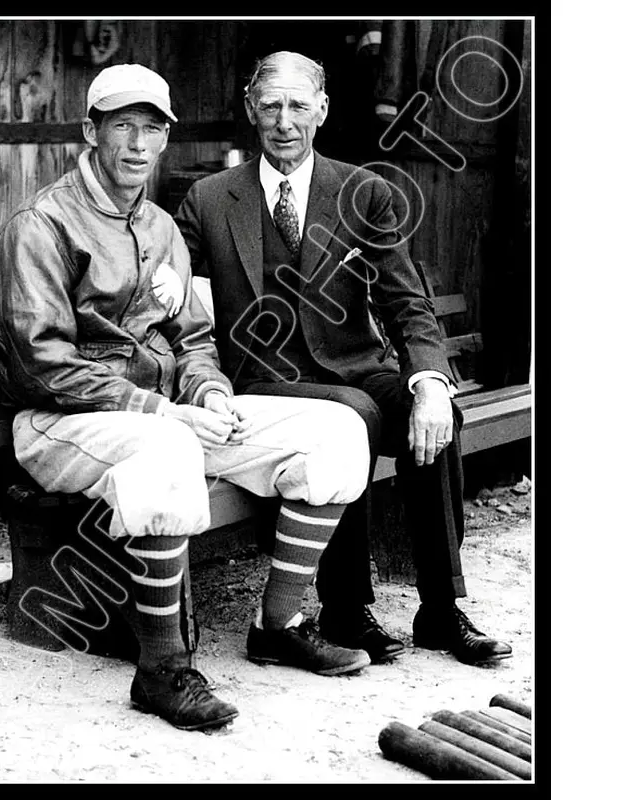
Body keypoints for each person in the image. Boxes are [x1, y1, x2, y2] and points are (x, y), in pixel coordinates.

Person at [0, 63, 374, 733]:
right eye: (122, 126)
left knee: (335, 429)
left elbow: (193, 337)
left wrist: (211, 391)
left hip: (162, 413)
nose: (138, 144)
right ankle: (161, 669)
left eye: (152, 129)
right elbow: (40, 364)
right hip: (58, 422)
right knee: (165, 445)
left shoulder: (162, 226)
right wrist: (161, 410)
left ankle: (277, 626)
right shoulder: (42, 224)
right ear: (91, 131)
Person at [175, 50, 512, 667]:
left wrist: (431, 384)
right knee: (352, 416)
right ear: (252, 111)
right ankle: (347, 610)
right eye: (271, 105)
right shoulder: (207, 198)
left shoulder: (364, 193)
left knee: (433, 415)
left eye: (298, 106)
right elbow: (186, 307)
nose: (284, 121)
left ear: (322, 111)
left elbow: (407, 301)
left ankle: (440, 609)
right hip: (262, 384)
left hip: (353, 368)